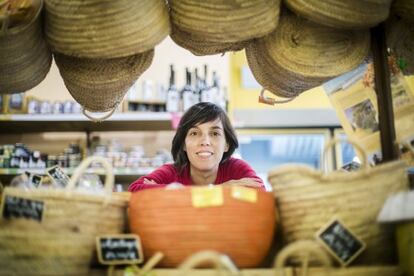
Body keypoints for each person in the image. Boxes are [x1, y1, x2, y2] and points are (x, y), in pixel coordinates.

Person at [128, 102, 264, 191]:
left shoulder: (236, 168)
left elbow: (260, 190)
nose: (205, 141)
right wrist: (218, 190)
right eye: (194, 133)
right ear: (183, 144)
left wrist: (175, 192)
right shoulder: (172, 171)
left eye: (215, 133)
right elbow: (135, 190)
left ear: (227, 144)